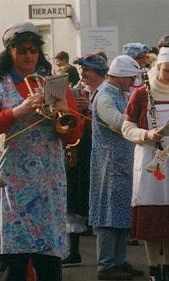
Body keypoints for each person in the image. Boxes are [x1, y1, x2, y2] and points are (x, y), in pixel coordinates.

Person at [0, 21, 81, 281]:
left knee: (49, 259)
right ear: (10, 52)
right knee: (12, 259)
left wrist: (66, 115)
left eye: (34, 50)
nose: (29, 56)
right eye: (22, 51)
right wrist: (18, 110)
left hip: (48, 182)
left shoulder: (54, 85)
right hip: (13, 182)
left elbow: (73, 135)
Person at [121, 47, 169, 281]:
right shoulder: (140, 94)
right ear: (156, 68)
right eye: (165, 70)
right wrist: (146, 134)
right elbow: (127, 127)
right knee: (151, 218)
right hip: (150, 158)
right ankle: (154, 270)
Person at [89, 54, 142, 281]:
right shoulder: (104, 97)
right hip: (108, 162)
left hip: (122, 159)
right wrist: (140, 125)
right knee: (108, 211)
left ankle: (119, 260)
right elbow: (117, 122)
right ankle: (106, 263)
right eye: (130, 77)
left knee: (121, 211)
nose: (132, 82)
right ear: (120, 76)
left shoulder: (120, 93)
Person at [62, 54, 107, 266]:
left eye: (86, 71)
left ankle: (108, 258)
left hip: (98, 150)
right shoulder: (81, 91)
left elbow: (111, 123)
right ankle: (74, 250)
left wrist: (88, 110)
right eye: (81, 71)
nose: (82, 75)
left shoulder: (106, 92)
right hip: (81, 147)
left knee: (96, 198)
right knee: (74, 196)